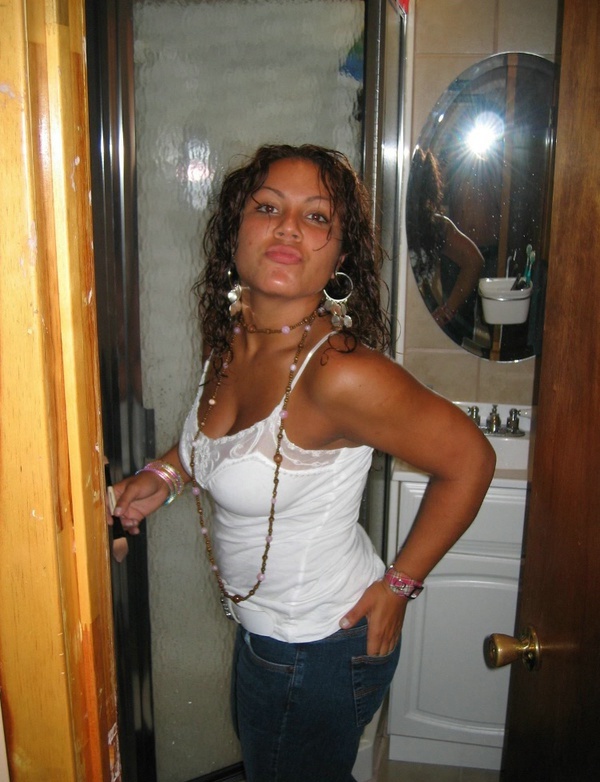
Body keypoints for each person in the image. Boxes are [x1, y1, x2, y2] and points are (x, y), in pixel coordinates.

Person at [110, 143, 495, 782]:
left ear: (339, 256)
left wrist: (400, 585)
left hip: (319, 646)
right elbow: (231, 445)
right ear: (235, 231)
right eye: (268, 208)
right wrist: (166, 476)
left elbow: (472, 462)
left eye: (316, 217)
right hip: (265, 635)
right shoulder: (237, 334)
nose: (289, 227)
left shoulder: (340, 374)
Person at [406, 148, 485, 337]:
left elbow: (474, 261)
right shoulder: (387, 220)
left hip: (421, 323)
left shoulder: (435, 226)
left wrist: (447, 312)